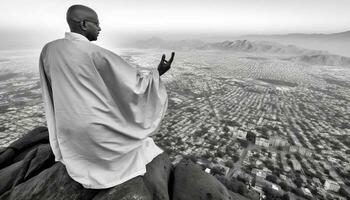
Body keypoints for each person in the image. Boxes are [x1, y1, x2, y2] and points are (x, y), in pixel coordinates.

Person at [39, 4, 175, 189]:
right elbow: (135, 87)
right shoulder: (96, 54)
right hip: (95, 133)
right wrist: (158, 73)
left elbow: (51, 90)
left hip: (67, 132)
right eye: (97, 23)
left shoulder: (49, 50)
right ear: (84, 24)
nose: (100, 28)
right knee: (141, 144)